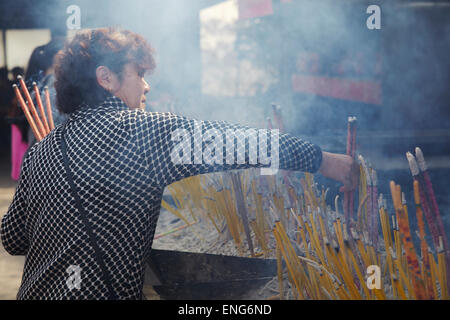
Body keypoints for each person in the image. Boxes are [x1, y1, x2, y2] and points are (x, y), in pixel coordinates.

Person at [0, 27, 358, 300]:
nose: (147, 86)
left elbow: (12, 239)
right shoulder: (146, 132)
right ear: (106, 78)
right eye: (139, 73)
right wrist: (322, 160)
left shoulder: (43, 151)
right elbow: (243, 143)